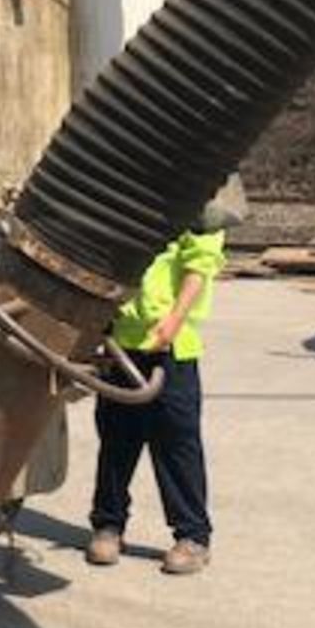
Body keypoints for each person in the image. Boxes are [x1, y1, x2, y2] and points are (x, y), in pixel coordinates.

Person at [85, 225, 227, 576]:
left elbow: (201, 263)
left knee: (177, 444)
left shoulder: (196, 203)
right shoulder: (130, 205)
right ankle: (108, 526)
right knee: (116, 441)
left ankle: (193, 537)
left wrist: (175, 320)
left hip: (172, 347)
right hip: (121, 344)